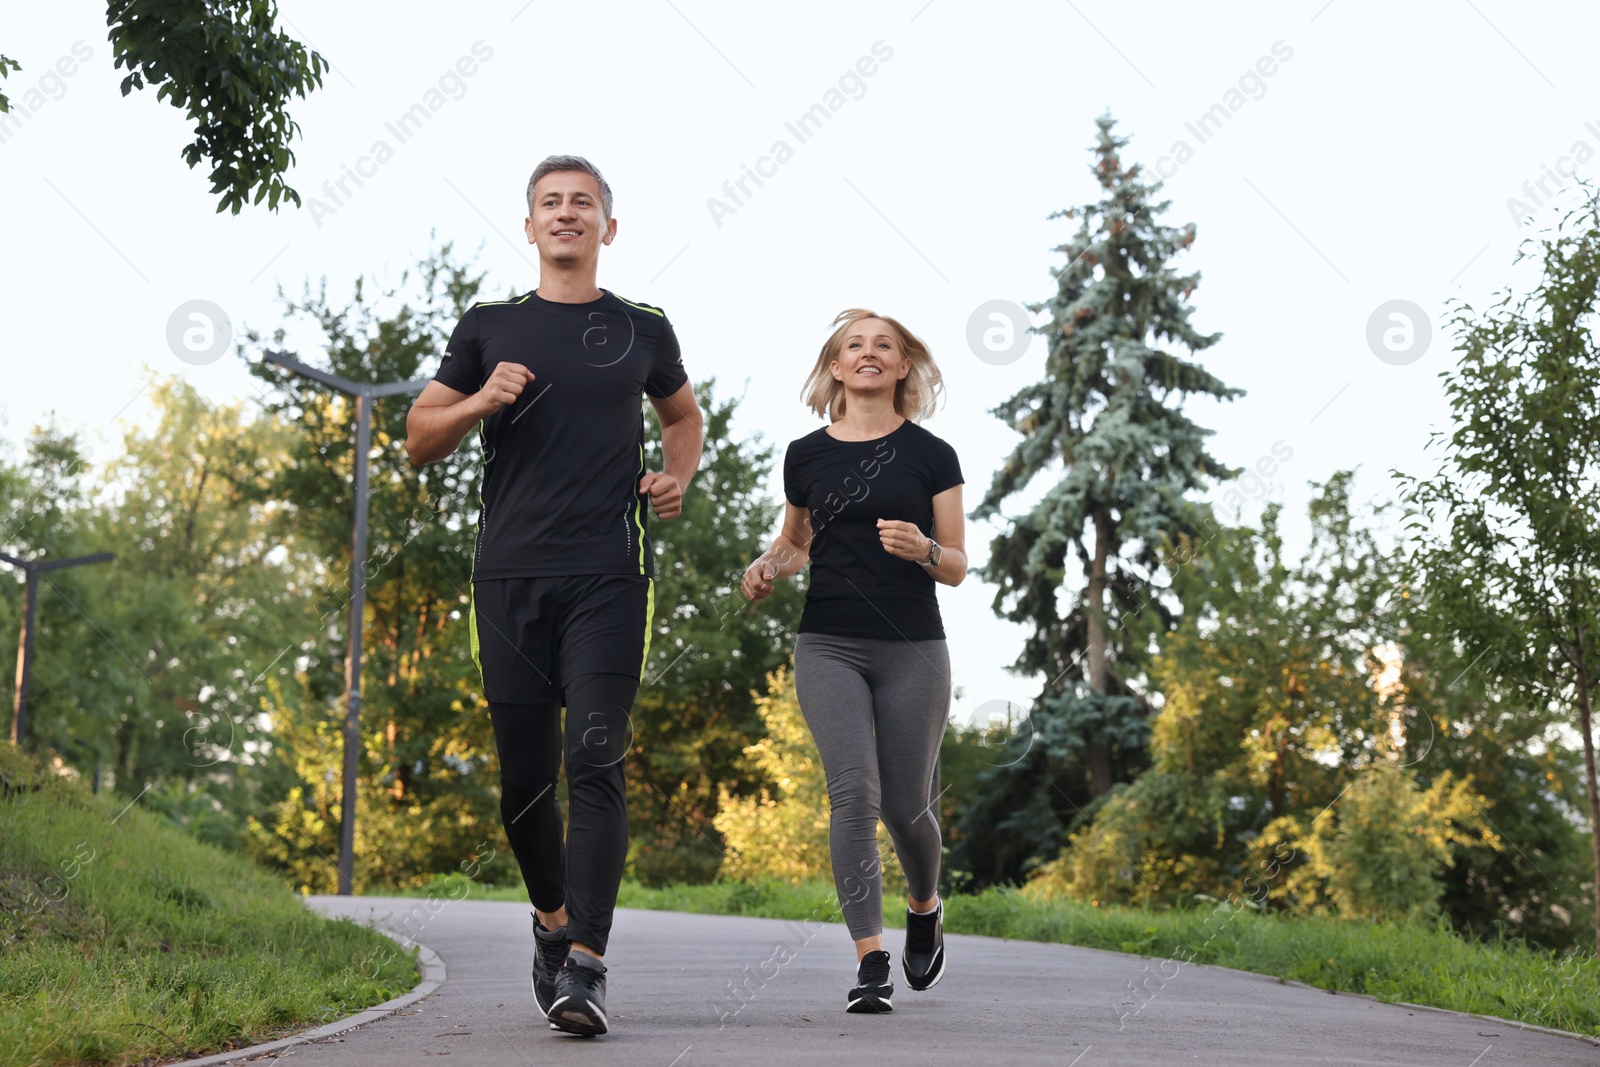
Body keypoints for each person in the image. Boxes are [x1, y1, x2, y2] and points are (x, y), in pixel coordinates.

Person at [404, 155, 703, 1037]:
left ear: (609, 228)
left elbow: (682, 417)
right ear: (529, 227)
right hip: (507, 577)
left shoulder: (643, 327)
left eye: (583, 203)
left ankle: (587, 966)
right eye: (550, 204)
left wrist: (674, 475)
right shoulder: (490, 326)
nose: (566, 214)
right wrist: (479, 402)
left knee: (598, 762)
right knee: (526, 784)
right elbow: (420, 437)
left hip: (611, 574)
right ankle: (549, 919)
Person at [741, 308, 966, 1014]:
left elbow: (957, 563)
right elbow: (797, 539)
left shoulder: (933, 455)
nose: (868, 353)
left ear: (902, 367)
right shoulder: (805, 455)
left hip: (913, 648)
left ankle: (924, 904)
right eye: (853, 345)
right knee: (853, 794)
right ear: (836, 367)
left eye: (884, 345)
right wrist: (767, 563)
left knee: (907, 807)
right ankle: (871, 957)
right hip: (828, 643)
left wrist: (924, 549)